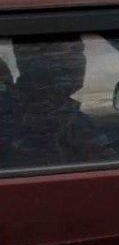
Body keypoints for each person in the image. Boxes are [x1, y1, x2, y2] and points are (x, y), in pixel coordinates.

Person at [4, 35, 113, 169]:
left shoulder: (66, 111)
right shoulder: (15, 116)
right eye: (70, 51)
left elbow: (104, 159)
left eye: (79, 50)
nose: (78, 60)